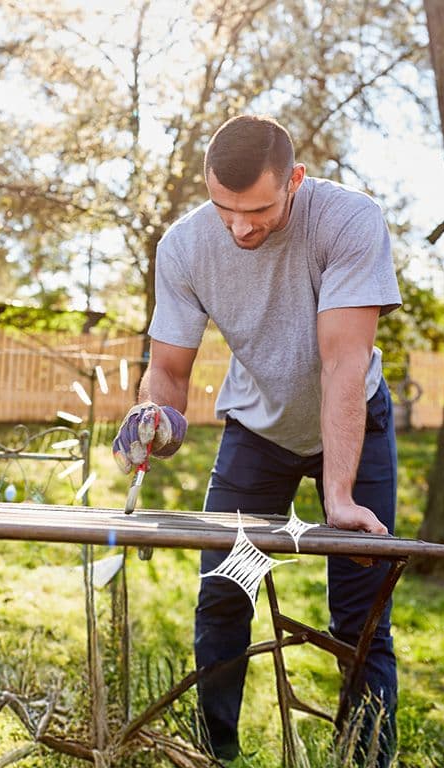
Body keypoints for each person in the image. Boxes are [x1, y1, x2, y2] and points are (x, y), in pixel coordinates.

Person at [113, 114, 402, 766]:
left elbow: (343, 363)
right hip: (258, 435)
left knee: (362, 623)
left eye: (260, 209)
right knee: (226, 594)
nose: (241, 226)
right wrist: (158, 421)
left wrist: (340, 496)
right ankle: (217, 755)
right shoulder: (185, 246)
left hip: (355, 424)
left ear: (295, 180)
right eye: (225, 208)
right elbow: (168, 372)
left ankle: (364, 758)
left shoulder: (348, 220)